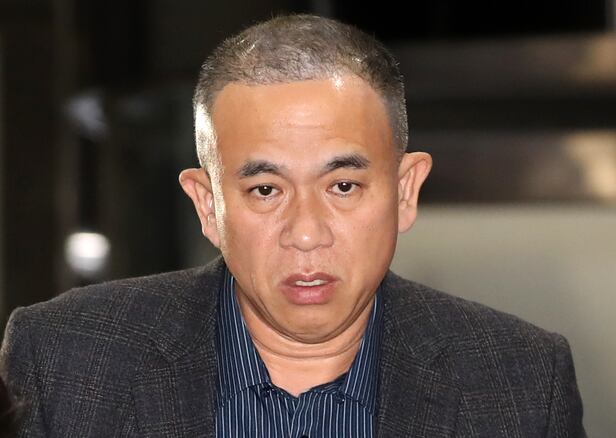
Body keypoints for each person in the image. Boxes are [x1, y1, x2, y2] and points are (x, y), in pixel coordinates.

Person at [0, 14, 585, 437]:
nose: (306, 233)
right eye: (265, 190)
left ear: (405, 191)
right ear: (207, 205)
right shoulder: (65, 360)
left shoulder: (521, 382)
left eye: (343, 186)